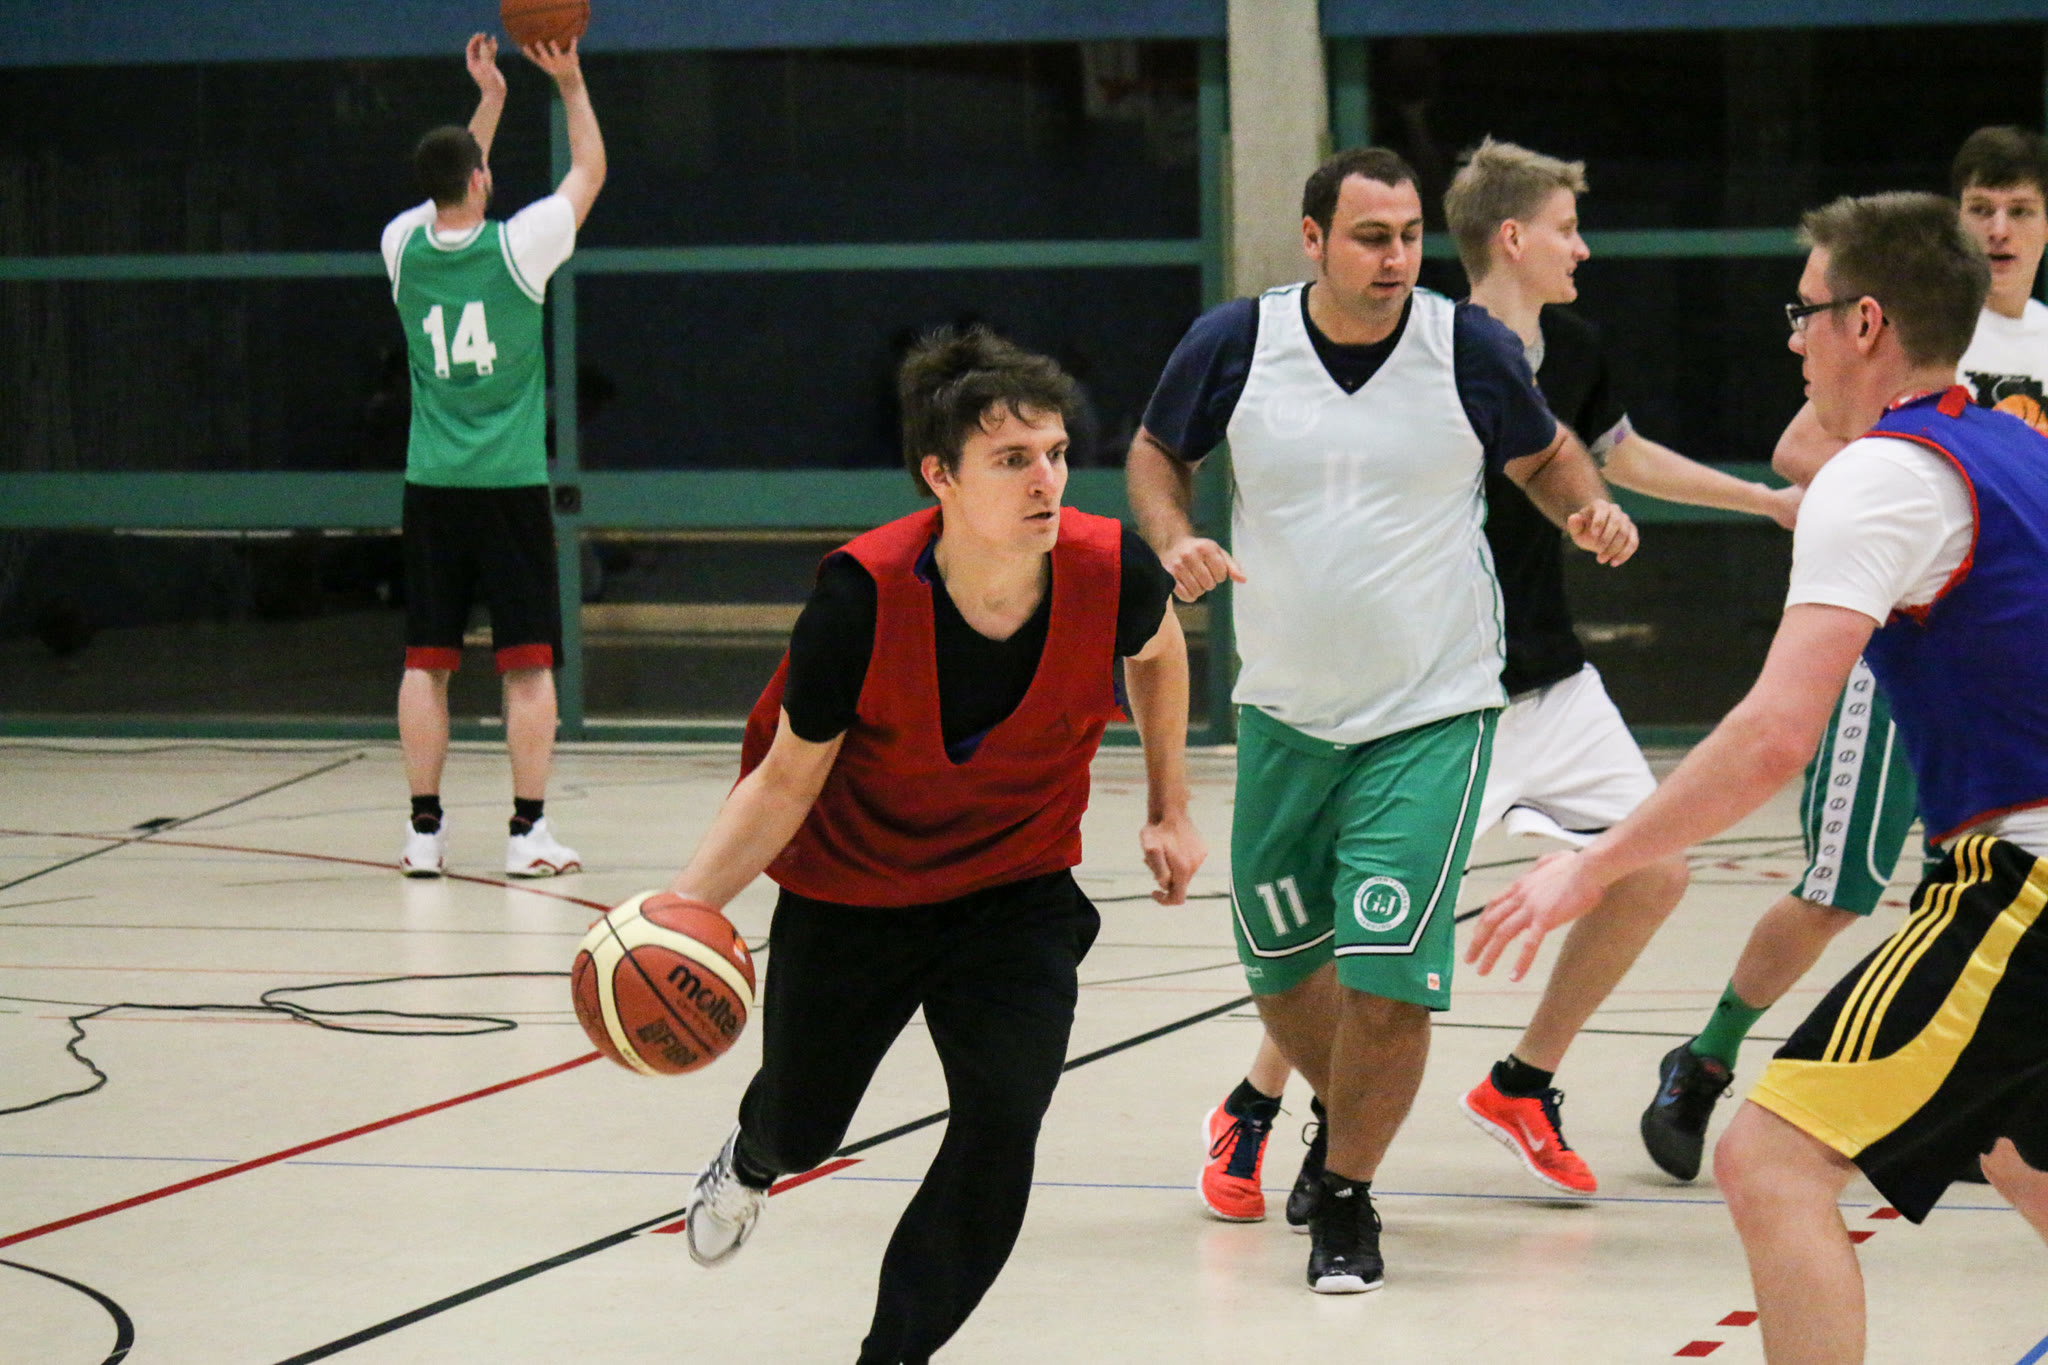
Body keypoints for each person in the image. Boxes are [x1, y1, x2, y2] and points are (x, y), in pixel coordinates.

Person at [1473, 190, 2048, 1365]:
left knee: (1767, 1160)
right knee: (2012, 1148)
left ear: (1864, 323)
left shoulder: (1881, 476)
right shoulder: (2015, 446)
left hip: (2020, 879)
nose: (1792, 340)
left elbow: (1772, 735)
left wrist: (1591, 865)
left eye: (1805, 313)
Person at [1193, 138, 1804, 1213]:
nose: (1583, 247)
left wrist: (1758, 501)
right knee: (1354, 933)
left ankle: (1522, 1082)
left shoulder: (1569, 349)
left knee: (1652, 867)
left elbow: (1614, 456)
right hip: (1430, 695)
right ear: (1513, 238)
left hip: (1547, 679)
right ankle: (1262, 1101)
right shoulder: (1417, 343)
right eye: (1568, 228)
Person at [1126, 146, 1637, 1292]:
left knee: (1387, 974)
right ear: (1312, 239)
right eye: (1369, 237)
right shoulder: (1234, 342)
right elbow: (1158, 452)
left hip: (1432, 709)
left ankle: (1347, 1196)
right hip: (1282, 712)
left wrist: (1585, 511)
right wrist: (1173, 536)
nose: (1395, 256)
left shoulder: (1464, 347)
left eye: (1407, 235)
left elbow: (1544, 455)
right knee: (1277, 964)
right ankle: (1341, 1119)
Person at [676, 329, 1202, 1365]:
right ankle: (754, 1156)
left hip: (1014, 891)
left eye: (1056, 453)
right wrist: (684, 905)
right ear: (939, 476)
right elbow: (783, 780)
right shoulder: (859, 598)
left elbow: (1157, 648)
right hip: (854, 894)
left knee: (1003, 1120)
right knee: (806, 1125)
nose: (1046, 479)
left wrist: (1168, 805)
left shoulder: (1109, 570)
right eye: (1012, 459)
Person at [1640, 124, 2048, 1182]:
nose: (2000, 229)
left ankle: (1967, 1089)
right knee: (1841, 883)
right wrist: (1895, 515)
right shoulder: (1909, 353)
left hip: (2001, 656)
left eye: (2020, 210)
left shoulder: (2032, 350)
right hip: (1895, 629)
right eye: (1982, 209)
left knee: (1974, 883)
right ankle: (1708, 1057)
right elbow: (1798, 447)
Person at [382, 34, 605, 878]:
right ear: (482, 179)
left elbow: (448, 184)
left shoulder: (399, 247)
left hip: (432, 485)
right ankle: (526, 833)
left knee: (425, 661)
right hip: (508, 486)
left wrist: (490, 102)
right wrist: (568, 82)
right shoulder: (522, 246)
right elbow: (588, 171)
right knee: (527, 664)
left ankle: (423, 833)